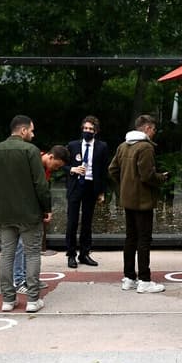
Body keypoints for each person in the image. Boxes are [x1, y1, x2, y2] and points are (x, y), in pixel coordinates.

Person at [0, 115, 52, 313]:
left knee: (6, 254)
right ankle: (32, 300)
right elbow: (40, 184)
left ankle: (8, 299)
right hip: (29, 213)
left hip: (3, 213)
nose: (33, 133)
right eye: (31, 130)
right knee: (32, 254)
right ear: (23, 131)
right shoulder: (31, 151)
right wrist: (46, 208)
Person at [108, 114, 169, 293]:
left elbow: (112, 170)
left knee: (130, 239)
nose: (155, 133)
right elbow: (147, 176)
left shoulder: (122, 146)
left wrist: (124, 185)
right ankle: (144, 280)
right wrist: (162, 178)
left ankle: (128, 278)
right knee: (144, 240)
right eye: (154, 129)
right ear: (147, 129)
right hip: (143, 201)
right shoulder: (146, 148)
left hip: (127, 200)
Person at [13, 145, 70, 294]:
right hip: (23, 207)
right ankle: (19, 280)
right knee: (21, 244)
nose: (56, 169)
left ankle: (29, 278)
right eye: (56, 165)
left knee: (30, 244)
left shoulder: (45, 167)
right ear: (51, 157)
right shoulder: (33, 161)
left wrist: (44, 209)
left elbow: (42, 190)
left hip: (33, 209)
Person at [64, 115, 110, 269]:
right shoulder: (72, 145)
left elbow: (104, 170)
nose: (88, 131)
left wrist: (102, 192)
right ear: (82, 129)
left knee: (87, 222)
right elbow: (60, 163)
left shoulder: (102, 147)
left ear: (95, 131)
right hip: (76, 185)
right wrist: (72, 169)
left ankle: (84, 253)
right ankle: (71, 254)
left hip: (91, 186)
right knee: (72, 221)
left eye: (91, 129)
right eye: (85, 128)